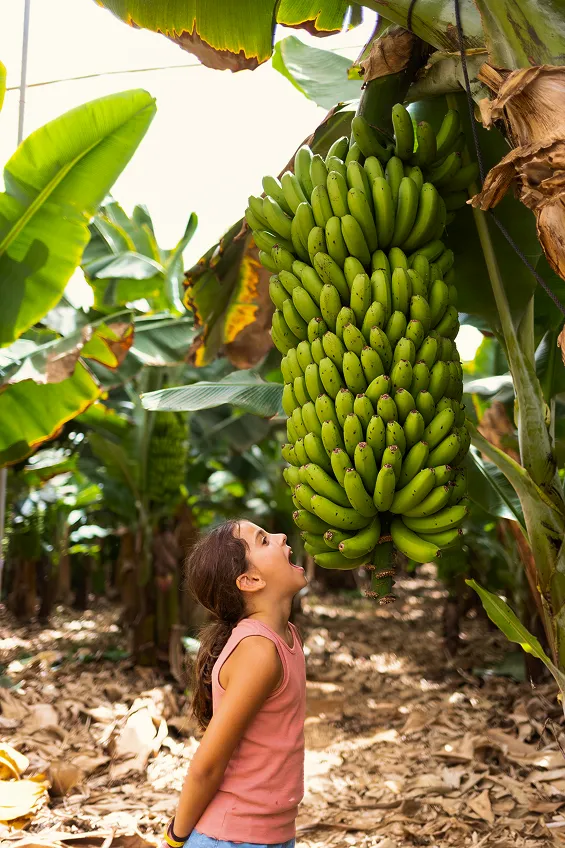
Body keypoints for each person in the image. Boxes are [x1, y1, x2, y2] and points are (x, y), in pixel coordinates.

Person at [161, 519, 308, 848]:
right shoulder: (257, 650)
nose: (282, 536)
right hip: (230, 838)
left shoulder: (285, 637)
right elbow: (208, 765)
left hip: (269, 835)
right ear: (250, 579)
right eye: (264, 540)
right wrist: (174, 838)